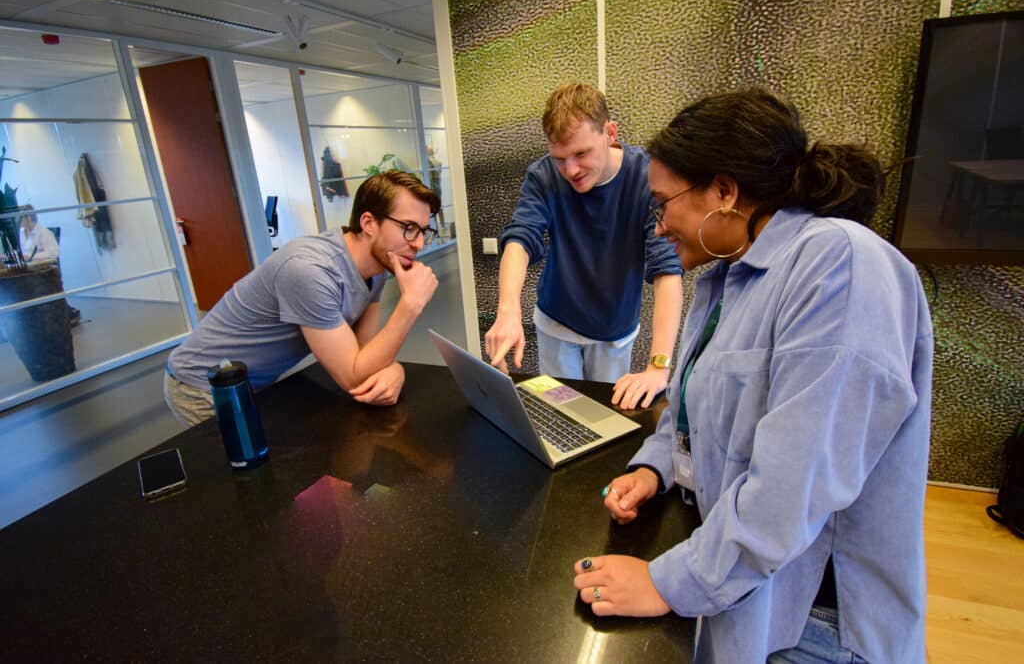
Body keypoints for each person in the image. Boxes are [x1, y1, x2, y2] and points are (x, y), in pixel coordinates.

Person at [572, 88, 932, 663]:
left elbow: (794, 488)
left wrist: (668, 583)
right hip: (739, 583)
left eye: (663, 203)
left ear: (724, 190)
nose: (659, 225)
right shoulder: (726, 277)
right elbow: (695, 407)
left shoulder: (840, 264)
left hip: (810, 623)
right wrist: (654, 467)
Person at [165, 170, 440, 427]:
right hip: (202, 385)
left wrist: (395, 371)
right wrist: (410, 304)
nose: (417, 243)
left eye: (423, 231)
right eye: (408, 227)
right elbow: (353, 375)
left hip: (258, 381)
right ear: (368, 223)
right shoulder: (309, 271)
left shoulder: (377, 268)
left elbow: (367, 352)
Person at [485, 83, 683, 410]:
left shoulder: (646, 176)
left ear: (609, 132)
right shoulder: (544, 175)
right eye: (560, 158)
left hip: (615, 329)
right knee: (564, 415)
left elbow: (667, 271)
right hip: (557, 322)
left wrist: (658, 368)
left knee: (608, 416)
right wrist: (508, 310)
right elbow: (520, 238)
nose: (571, 170)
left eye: (581, 154)